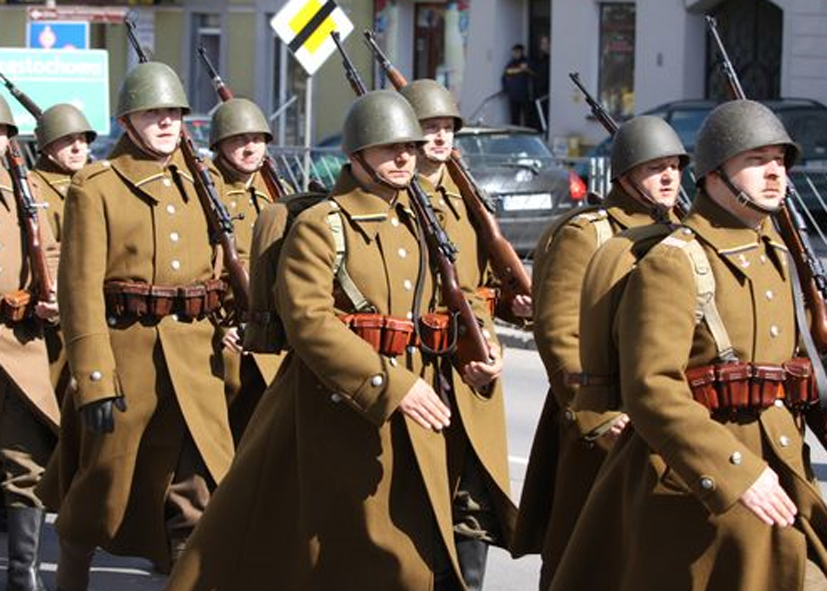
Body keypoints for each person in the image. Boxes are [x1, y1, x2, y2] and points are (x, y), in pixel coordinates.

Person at [165, 89, 500, 591]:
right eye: (389, 148)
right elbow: (310, 322)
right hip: (337, 410)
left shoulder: (422, 219)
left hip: (420, 411)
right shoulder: (322, 226)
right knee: (338, 554)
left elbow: (462, 293)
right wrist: (391, 386)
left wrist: (483, 345)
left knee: (418, 550)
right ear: (357, 154)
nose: (404, 157)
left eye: (409, 146)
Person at [550, 99, 827, 591]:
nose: (774, 173)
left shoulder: (775, 253)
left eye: (780, 161)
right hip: (698, 483)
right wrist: (734, 471)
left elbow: (801, 368)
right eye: (756, 160)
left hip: (782, 468)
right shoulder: (675, 262)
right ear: (714, 174)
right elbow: (652, 389)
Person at [38, 62, 234, 590]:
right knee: (96, 496)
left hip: (195, 364)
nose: (166, 122)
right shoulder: (96, 185)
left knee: (198, 498)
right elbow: (79, 288)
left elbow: (222, 269)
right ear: (127, 121)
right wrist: (94, 377)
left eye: (173, 112)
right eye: (153, 113)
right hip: (127, 360)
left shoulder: (203, 180)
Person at [512, 116, 687, 589]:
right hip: (604, 414)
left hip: (665, 416)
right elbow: (559, 330)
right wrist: (598, 418)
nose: (668, 178)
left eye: (674, 167)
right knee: (587, 558)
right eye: (655, 168)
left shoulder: (684, 235)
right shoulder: (589, 233)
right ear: (626, 174)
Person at [399, 78, 517, 591]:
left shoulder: (465, 194)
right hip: (422, 362)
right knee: (426, 489)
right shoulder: (395, 195)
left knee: (474, 496)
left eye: (447, 126)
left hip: (470, 361)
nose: (440, 136)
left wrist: (509, 308)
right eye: (429, 126)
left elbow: (481, 283)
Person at [0, 94, 60, 591]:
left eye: (2, 131)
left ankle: (25, 574)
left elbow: (53, 246)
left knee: (25, 458)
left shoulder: (26, 188)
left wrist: (51, 287)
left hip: (18, 339)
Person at [209, 97, 286, 441]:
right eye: (239, 139)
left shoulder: (274, 192)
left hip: (274, 335)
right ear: (219, 144)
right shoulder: (206, 192)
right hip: (229, 335)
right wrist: (217, 325)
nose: (250, 147)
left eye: (257, 139)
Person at [31, 103, 97, 399]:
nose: (77, 147)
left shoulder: (95, 182)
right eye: (67, 140)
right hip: (53, 320)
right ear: (46, 146)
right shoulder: (34, 186)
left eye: (82, 139)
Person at [501, 43, 533, 126]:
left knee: (527, 117)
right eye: (514, 52)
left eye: (517, 52)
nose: (515, 54)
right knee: (514, 118)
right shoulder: (510, 63)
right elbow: (504, 76)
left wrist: (526, 70)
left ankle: (527, 132)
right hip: (513, 95)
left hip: (524, 95)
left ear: (521, 52)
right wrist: (505, 88)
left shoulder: (527, 62)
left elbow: (533, 74)